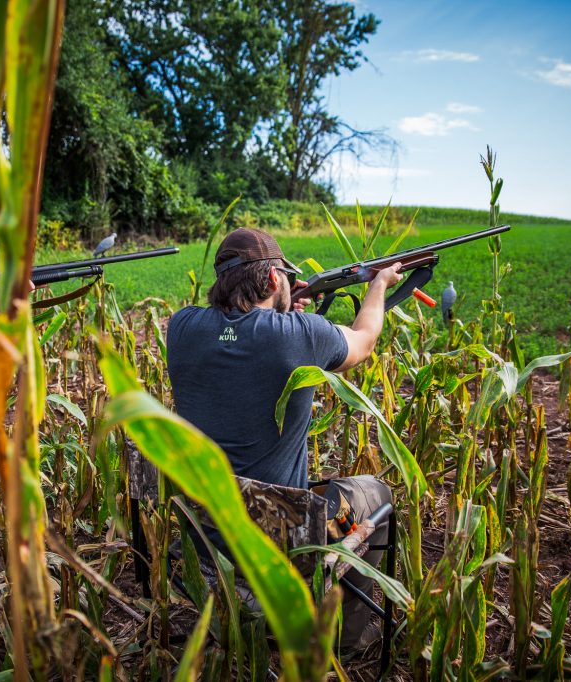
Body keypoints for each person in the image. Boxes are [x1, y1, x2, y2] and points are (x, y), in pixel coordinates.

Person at [165, 228, 405, 651]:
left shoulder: (182, 327)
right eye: (283, 279)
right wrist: (379, 284)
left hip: (198, 543)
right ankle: (344, 638)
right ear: (276, 281)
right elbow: (364, 340)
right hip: (277, 551)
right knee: (374, 490)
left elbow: (233, 332)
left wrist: (280, 312)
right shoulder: (301, 333)